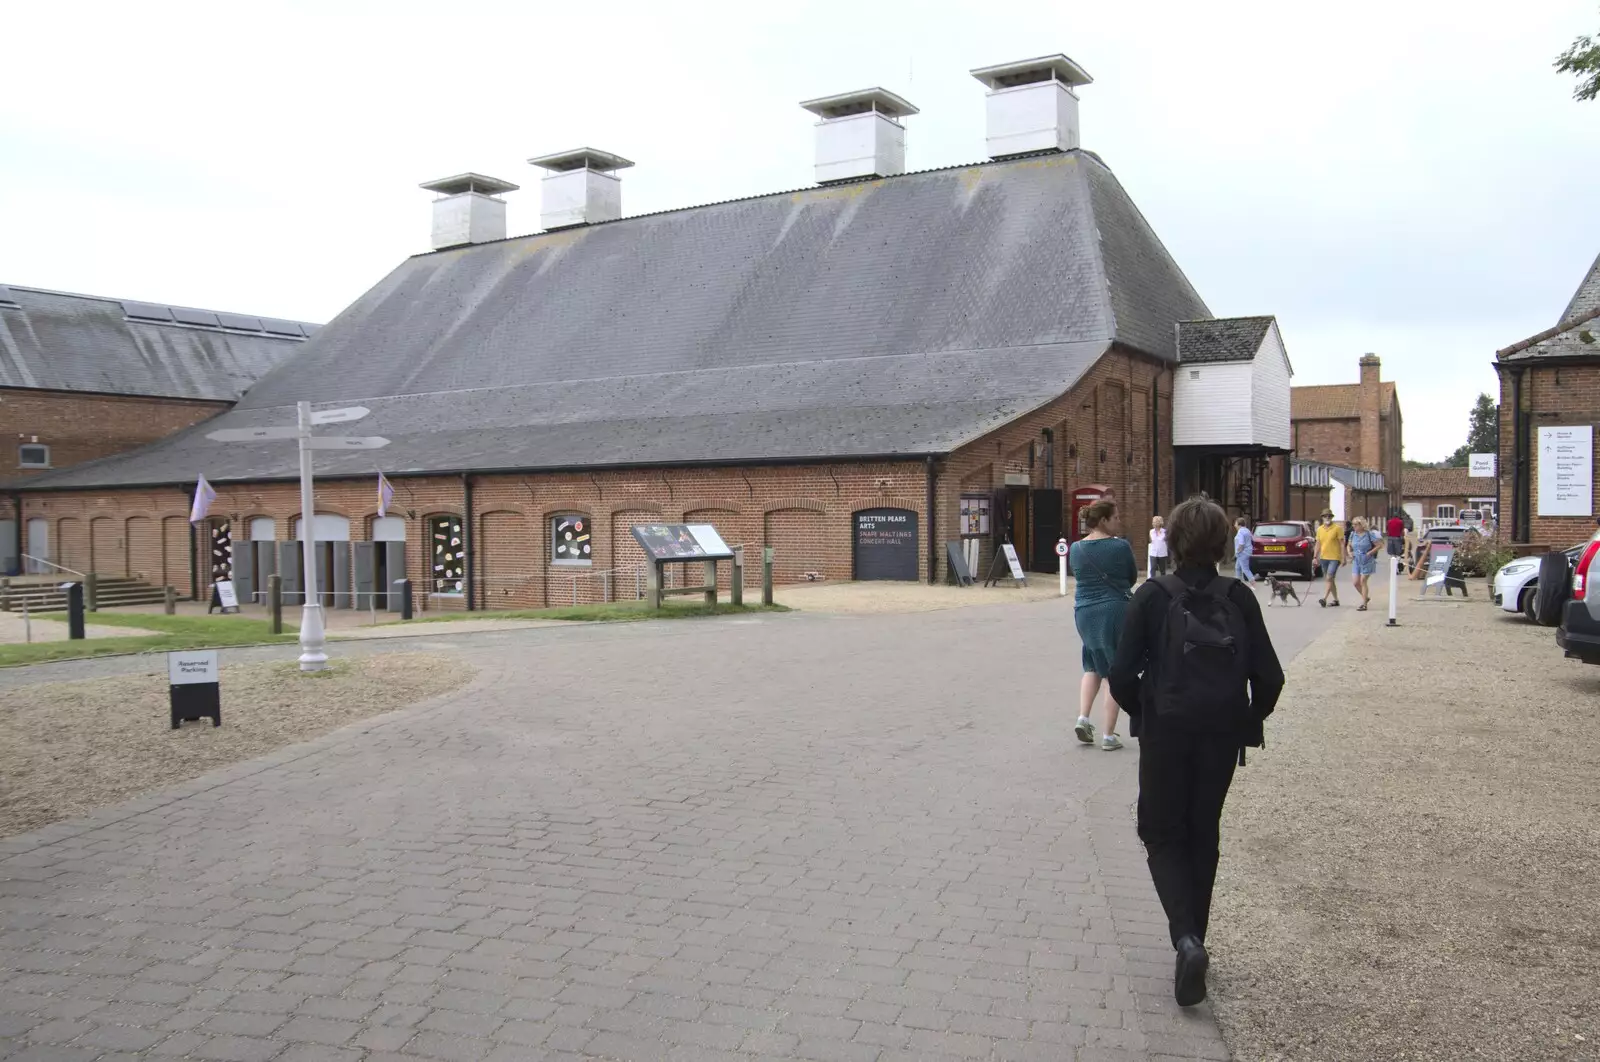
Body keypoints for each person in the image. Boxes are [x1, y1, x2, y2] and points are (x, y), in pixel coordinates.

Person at [1109, 498, 1284, 1007]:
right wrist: (1247, 721)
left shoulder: (1152, 596)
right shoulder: (1240, 597)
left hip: (1166, 731)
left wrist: (1145, 708)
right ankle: (1196, 942)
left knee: (1160, 832)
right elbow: (1270, 678)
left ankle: (1185, 940)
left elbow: (1121, 676)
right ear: (1222, 541)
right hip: (1220, 734)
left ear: (1175, 538)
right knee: (1203, 834)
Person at [1070, 499, 1137, 752]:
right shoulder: (1120, 547)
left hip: (1084, 611)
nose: (1119, 521)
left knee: (1091, 663)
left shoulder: (1076, 548)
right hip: (1113, 610)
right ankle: (1108, 735)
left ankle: (1083, 718)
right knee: (1113, 671)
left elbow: (1078, 576)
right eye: (1116, 517)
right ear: (1104, 520)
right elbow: (1130, 577)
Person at [1347, 517, 1380, 610]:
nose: (1354, 526)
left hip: (1367, 559)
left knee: (1363, 580)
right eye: (1353, 524)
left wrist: (1369, 553)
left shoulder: (1369, 534)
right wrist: (1349, 553)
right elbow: (1348, 546)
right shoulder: (1353, 534)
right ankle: (1365, 597)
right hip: (1356, 560)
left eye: (1356, 525)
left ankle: (1364, 604)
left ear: (1361, 525)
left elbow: (1379, 545)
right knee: (1355, 582)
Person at [1315, 510, 1345, 607]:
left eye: (1329, 516)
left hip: (1334, 557)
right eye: (1325, 516)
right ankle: (1336, 600)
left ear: (1332, 517)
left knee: (1329, 577)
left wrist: (1343, 557)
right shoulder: (1320, 529)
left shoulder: (1337, 528)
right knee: (1330, 580)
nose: (1327, 518)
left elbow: (1342, 544)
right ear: (1322, 518)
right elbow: (1318, 543)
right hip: (1324, 557)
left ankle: (1324, 598)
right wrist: (1315, 557)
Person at [1232, 517, 1255, 584]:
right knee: (1237, 568)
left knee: (1245, 569)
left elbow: (1241, 544)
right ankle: (1238, 582)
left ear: (1239, 524)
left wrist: (1237, 551)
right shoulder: (1247, 530)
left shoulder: (1240, 532)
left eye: (1235, 523)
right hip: (1247, 552)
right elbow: (1252, 540)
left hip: (1242, 553)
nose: (1234, 525)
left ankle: (1253, 582)